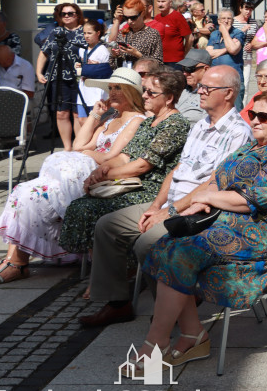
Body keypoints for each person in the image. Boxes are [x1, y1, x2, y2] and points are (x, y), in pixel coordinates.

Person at [132, 90, 267, 371]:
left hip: (259, 233)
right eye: (253, 114)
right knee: (168, 244)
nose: (255, 121)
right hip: (225, 221)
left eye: (264, 117)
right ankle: (193, 334)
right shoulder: (252, 146)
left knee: (183, 252)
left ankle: (156, 343)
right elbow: (217, 179)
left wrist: (205, 199)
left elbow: (249, 199)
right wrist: (199, 202)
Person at [78, 66, 251, 326]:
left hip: (201, 210)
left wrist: (168, 212)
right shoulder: (201, 125)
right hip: (173, 201)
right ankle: (118, 303)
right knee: (108, 226)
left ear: (228, 94)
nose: (199, 91)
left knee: (146, 242)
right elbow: (178, 168)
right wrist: (158, 205)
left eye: (207, 88)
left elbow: (213, 184)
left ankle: (174, 313)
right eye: (200, 86)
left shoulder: (238, 131)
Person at [0, 69, 146, 283]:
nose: (112, 93)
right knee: (23, 193)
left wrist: (86, 153)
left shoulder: (135, 119)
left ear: (132, 92)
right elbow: (79, 145)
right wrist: (95, 115)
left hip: (103, 173)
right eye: (110, 88)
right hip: (83, 169)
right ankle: (15, 261)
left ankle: (19, 262)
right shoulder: (111, 117)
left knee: (37, 193)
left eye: (119, 88)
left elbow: (111, 156)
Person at [58, 70, 191, 256]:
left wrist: (102, 176)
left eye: (151, 92)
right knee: (80, 204)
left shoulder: (175, 124)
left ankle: (117, 267)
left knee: (91, 209)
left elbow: (143, 165)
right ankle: (98, 268)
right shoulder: (149, 122)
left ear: (169, 98)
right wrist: (102, 170)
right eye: (145, 90)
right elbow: (125, 156)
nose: (144, 95)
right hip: (133, 182)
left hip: (152, 187)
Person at [36, 3, 87, 151]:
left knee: (77, 113)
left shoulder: (84, 32)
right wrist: (39, 72)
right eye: (63, 14)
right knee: (61, 113)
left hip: (78, 78)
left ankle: (78, 146)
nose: (66, 16)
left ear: (77, 15)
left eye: (70, 13)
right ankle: (67, 148)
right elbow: (44, 52)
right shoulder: (56, 32)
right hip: (58, 77)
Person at [109, 0, 163, 69]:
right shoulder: (123, 33)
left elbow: (158, 64)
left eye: (133, 17)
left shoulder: (153, 34)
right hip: (123, 75)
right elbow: (111, 63)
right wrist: (114, 55)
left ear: (142, 13)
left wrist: (137, 54)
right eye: (126, 17)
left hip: (142, 77)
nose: (129, 21)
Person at [206, 8, 245, 107]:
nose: (226, 21)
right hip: (215, 79)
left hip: (233, 79)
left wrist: (224, 32)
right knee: (216, 107)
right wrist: (226, 50)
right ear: (218, 21)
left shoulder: (238, 33)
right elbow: (208, 53)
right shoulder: (214, 34)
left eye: (229, 18)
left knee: (236, 109)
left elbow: (233, 50)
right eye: (223, 18)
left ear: (233, 20)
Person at [75, 20, 112, 122]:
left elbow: (104, 72)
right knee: (82, 119)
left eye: (89, 33)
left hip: (96, 89)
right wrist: (79, 66)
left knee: (94, 120)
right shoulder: (82, 49)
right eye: (84, 33)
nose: (86, 36)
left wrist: (88, 69)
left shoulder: (102, 50)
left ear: (98, 33)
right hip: (83, 88)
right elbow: (82, 68)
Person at [146, 0, 192, 68]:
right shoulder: (157, 18)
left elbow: (190, 38)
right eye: (158, 1)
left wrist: (184, 55)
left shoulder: (177, 17)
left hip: (175, 61)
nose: (160, 4)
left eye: (163, 1)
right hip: (159, 60)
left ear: (170, 3)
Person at [174, 48, 211, 125]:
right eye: (184, 68)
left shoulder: (210, 95)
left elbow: (205, 127)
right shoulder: (183, 91)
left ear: (206, 69)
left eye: (189, 69)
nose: (185, 73)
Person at [234, 0, 260, 94]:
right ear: (240, 8)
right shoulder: (233, 21)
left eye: (250, 9)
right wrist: (242, 30)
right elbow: (229, 37)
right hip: (235, 56)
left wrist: (252, 43)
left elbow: (257, 37)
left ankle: (243, 107)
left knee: (246, 84)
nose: (248, 11)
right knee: (235, 83)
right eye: (246, 9)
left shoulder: (253, 22)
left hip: (247, 57)